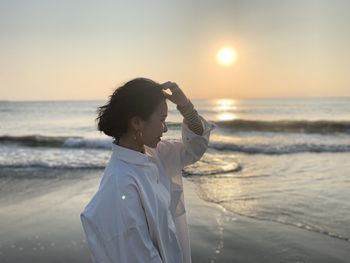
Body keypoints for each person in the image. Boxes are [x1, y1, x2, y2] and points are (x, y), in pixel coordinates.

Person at [80, 78, 217, 263]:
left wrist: (186, 106)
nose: (165, 128)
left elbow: (194, 148)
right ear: (137, 122)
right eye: (161, 120)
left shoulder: (153, 154)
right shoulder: (121, 183)